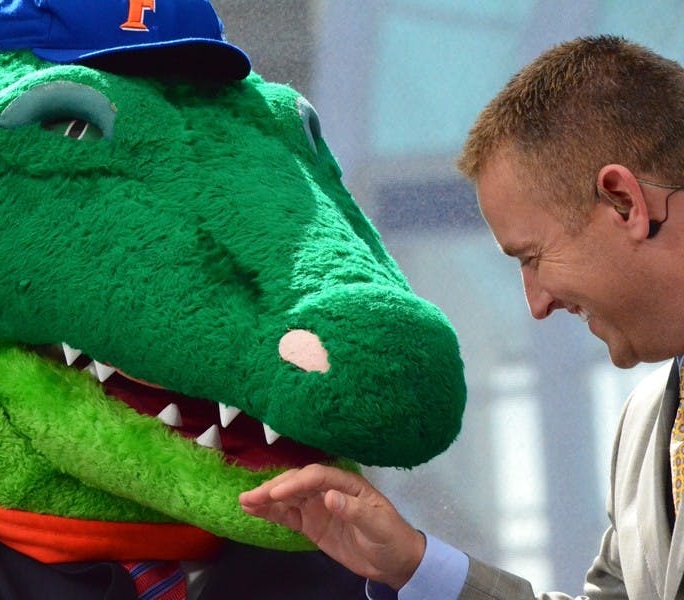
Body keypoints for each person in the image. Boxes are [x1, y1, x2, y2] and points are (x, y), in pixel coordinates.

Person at [240, 34, 684, 599]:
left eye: (532, 257)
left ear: (624, 201)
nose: (537, 304)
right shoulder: (645, 426)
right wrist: (414, 567)